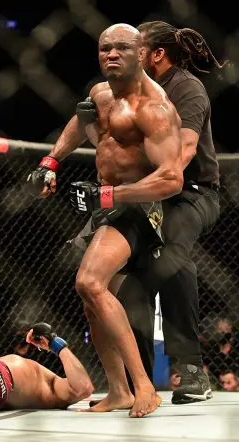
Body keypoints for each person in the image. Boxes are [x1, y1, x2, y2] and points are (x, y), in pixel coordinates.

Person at [27, 23, 183, 416]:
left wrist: (111, 195)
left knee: (89, 282)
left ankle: (144, 387)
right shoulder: (101, 94)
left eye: (121, 48)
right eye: (104, 48)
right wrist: (51, 162)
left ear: (141, 53)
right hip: (106, 204)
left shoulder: (154, 108)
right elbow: (80, 122)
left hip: (140, 206)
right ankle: (119, 391)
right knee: (93, 301)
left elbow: (171, 179)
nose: (111, 55)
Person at [114, 21, 223, 405]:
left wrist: (140, 188)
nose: (126, 54)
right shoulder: (131, 91)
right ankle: (138, 381)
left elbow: (186, 150)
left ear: (157, 54)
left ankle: (191, 369)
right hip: (149, 198)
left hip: (193, 194)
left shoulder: (185, 88)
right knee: (130, 283)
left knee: (172, 254)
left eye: (136, 48)